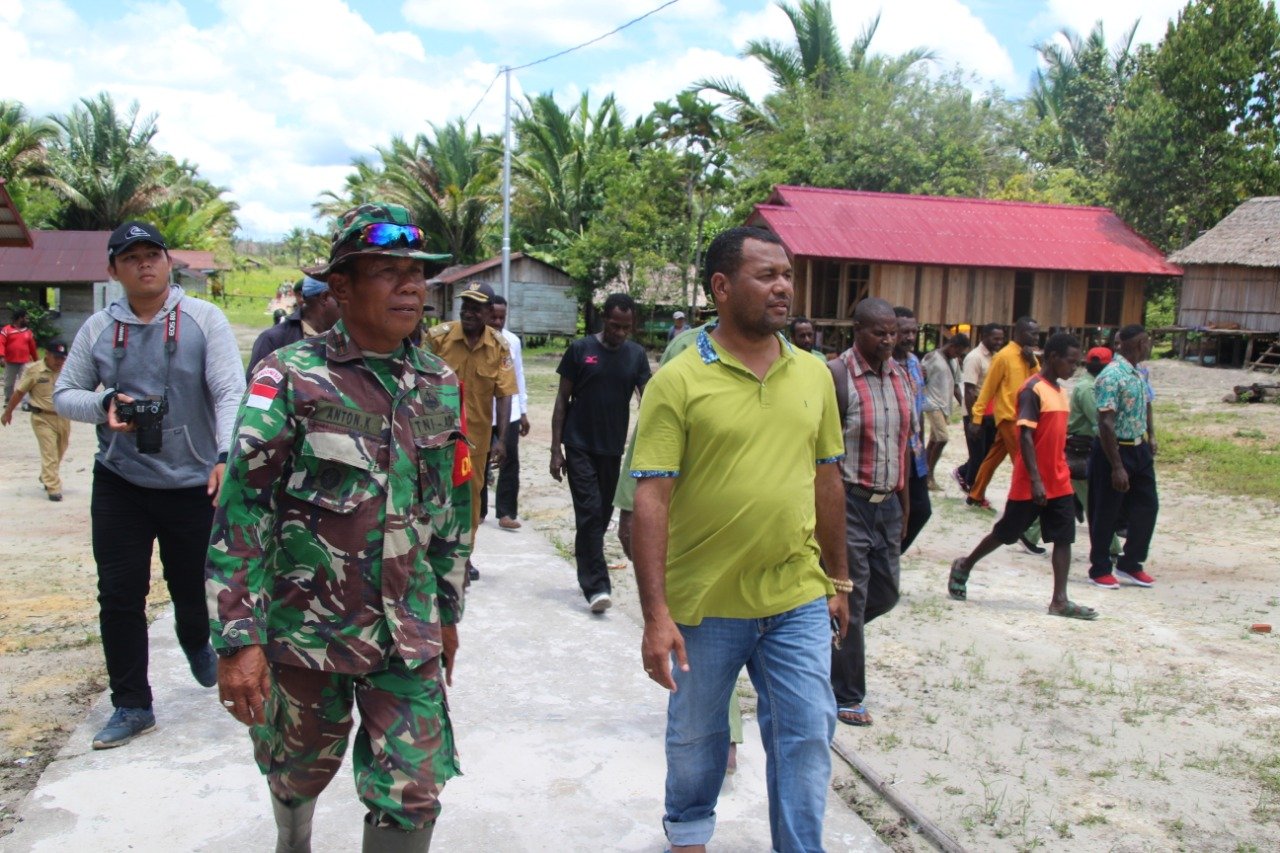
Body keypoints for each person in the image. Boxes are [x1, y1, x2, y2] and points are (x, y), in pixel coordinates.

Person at [207, 202, 469, 852]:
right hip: (305, 631)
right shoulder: (289, 376)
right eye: (389, 271)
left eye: (418, 273)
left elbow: (449, 510)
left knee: (413, 788)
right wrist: (237, 636)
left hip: (406, 630)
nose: (412, 286)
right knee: (295, 770)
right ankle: (292, 840)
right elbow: (243, 508)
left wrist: (449, 608)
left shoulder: (439, 382)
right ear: (343, 286)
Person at [632, 225, 850, 853]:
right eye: (766, 274)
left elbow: (827, 478)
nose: (783, 286)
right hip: (705, 604)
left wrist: (839, 579)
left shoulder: (812, 374)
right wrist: (655, 615)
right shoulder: (678, 381)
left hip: (796, 595)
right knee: (697, 742)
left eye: (787, 273)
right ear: (722, 288)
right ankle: (690, 836)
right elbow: (652, 497)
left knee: (807, 733)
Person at [53, 220, 245, 749]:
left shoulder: (204, 319)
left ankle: (195, 641)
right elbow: (64, 394)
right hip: (121, 481)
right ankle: (132, 704)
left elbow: (231, 390)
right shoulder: (96, 328)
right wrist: (103, 406)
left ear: (168, 262)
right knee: (118, 595)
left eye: (153, 254)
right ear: (113, 270)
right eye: (131, 257)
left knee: (191, 589)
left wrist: (227, 456)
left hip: (191, 482)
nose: (145, 264)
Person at [948, 333, 1097, 620]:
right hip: (1033, 482)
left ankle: (1060, 600)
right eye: (1069, 362)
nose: (1073, 368)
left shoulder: (1060, 391)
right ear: (1052, 358)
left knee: (1064, 538)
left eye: (1077, 363)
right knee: (1006, 533)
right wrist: (1037, 479)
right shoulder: (1032, 390)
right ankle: (965, 564)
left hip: (1059, 479)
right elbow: (1025, 437)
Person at [828, 297, 911, 728]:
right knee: (854, 599)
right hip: (849, 503)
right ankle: (847, 694)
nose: (889, 340)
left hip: (889, 504)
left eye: (893, 332)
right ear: (857, 330)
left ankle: (832, 639)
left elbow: (903, 447)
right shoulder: (837, 376)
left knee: (887, 592)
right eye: (880, 332)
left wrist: (906, 506)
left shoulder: (901, 376)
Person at [551, 292, 651, 613]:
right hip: (578, 444)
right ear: (603, 319)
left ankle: (589, 575)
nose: (619, 333)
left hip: (612, 449)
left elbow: (648, 401)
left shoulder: (635, 356)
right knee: (591, 512)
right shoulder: (581, 350)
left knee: (599, 517)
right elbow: (561, 402)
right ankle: (597, 586)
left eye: (626, 328)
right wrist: (556, 449)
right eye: (614, 325)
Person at [425, 282, 517, 581]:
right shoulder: (438, 339)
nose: (468, 312)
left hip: (474, 443)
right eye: (465, 305)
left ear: (490, 312)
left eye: (476, 307)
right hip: (433, 438)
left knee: (471, 502)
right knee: (432, 495)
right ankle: (429, 553)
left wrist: (501, 439)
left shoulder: (499, 347)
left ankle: (463, 557)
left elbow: (504, 394)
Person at [1087, 324, 1159, 590]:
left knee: (1147, 506)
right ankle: (1100, 568)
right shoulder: (1111, 375)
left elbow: (1147, 404)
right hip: (1114, 449)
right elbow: (1106, 423)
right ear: (1140, 344)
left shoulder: (1139, 373)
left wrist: (1151, 435)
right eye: (1148, 341)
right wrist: (1117, 466)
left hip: (1139, 448)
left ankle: (1131, 563)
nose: (1150, 346)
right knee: (1107, 510)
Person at [967, 317, 1046, 556]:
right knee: (1024, 466)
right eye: (1031, 334)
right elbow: (988, 388)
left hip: (1024, 417)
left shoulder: (1030, 357)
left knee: (993, 457)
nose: (1035, 338)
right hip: (1011, 419)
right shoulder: (1003, 356)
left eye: (1037, 334)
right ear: (1020, 333)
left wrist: (1032, 361)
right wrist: (977, 417)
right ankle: (1023, 521)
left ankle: (975, 493)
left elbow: (1041, 381)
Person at [479, 294, 530, 530]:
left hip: (507, 412)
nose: (498, 322)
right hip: (480, 411)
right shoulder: (475, 340)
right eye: (494, 317)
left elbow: (518, 376)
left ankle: (506, 512)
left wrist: (523, 411)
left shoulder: (513, 342)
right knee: (478, 460)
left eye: (502, 317)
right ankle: (477, 509)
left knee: (509, 461)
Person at [2, 340, 71, 500]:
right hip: (42, 418)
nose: (59, 361)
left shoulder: (67, 370)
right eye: (56, 357)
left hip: (63, 417)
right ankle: (53, 487)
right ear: (46, 354)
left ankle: (46, 475)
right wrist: (8, 412)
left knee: (60, 450)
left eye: (62, 358)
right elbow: (19, 392)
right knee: (50, 453)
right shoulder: (34, 371)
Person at [245, 275, 340, 380]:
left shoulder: (344, 338)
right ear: (325, 297)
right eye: (342, 298)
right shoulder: (274, 339)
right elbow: (258, 389)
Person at [893, 307, 932, 552]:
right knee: (896, 512)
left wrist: (924, 452)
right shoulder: (884, 365)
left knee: (921, 510)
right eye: (903, 332)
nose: (909, 337)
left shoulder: (915, 363)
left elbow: (920, 411)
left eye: (913, 332)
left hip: (915, 452)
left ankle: (893, 555)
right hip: (893, 454)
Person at [954, 323, 1004, 495]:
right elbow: (969, 391)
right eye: (995, 338)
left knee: (986, 454)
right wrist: (975, 420)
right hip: (976, 414)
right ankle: (972, 490)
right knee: (977, 456)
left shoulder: (996, 357)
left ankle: (961, 473)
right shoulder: (974, 358)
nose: (999, 342)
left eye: (1001, 339)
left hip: (991, 413)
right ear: (984, 337)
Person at [921, 333, 970, 490]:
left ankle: (924, 475)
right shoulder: (932, 357)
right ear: (952, 346)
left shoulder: (954, 361)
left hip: (944, 406)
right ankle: (929, 475)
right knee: (942, 438)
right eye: (958, 351)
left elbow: (956, 386)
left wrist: (964, 405)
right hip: (932, 404)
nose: (958, 355)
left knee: (934, 441)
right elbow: (920, 378)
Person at [1, 307, 39, 403]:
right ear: (19, 318)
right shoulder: (6, 330)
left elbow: (32, 348)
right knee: (9, 383)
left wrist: (37, 361)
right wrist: (1, 356)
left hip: (25, 362)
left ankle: (25, 402)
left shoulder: (28, 332)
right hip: (10, 362)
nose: (27, 320)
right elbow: (1, 343)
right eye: (26, 318)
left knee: (25, 382)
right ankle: (8, 399)